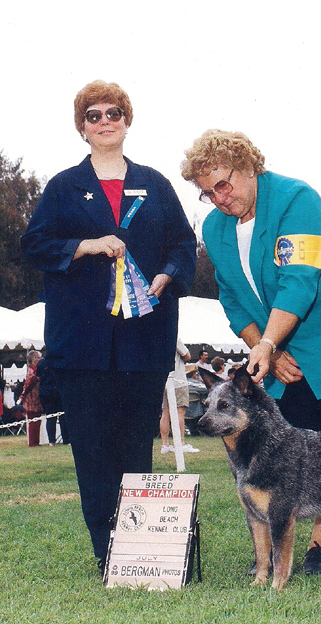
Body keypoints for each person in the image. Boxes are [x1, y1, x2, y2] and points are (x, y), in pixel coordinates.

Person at [181, 129, 321, 576]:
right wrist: (268, 348)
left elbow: (299, 280)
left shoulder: (297, 200)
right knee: (297, 439)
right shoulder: (216, 228)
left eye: (224, 184)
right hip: (280, 343)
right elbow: (232, 298)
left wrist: (268, 342)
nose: (218, 199)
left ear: (250, 166)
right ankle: (281, 545)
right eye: (206, 193)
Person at [21, 80, 196, 573]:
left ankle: (141, 550)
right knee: (94, 453)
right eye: (93, 115)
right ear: (82, 128)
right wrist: (86, 245)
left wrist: (168, 275)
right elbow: (34, 245)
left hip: (144, 341)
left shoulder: (156, 184)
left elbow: (184, 246)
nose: (105, 121)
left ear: (127, 119)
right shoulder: (62, 187)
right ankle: (107, 550)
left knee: (137, 446)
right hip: (82, 347)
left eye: (114, 112)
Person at [160, 338, 199, 454]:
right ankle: (180, 444)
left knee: (165, 413)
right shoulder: (174, 336)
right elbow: (187, 356)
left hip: (163, 380)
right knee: (180, 412)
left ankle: (165, 444)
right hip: (177, 380)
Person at [36, 357, 70, 445]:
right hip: (58, 391)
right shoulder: (59, 361)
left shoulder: (41, 363)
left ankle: (51, 441)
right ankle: (66, 440)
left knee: (50, 417)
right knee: (62, 416)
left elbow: (38, 377)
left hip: (46, 392)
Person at [19, 350, 43, 446]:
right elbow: (28, 385)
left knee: (37, 419)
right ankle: (33, 442)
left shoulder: (36, 370)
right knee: (32, 420)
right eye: (37, 358)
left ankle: (36, 441)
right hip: (31, 398)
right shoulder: (31, 370)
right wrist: (23, 395)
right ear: (33, 359)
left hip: (36, 398)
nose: (39, 360)